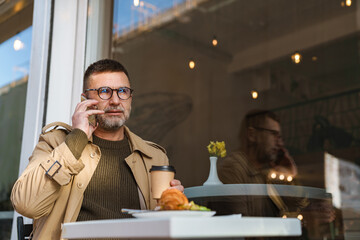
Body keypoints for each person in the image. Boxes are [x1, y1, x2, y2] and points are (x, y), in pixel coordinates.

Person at [11, 59, 184, 240]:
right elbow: (26, 204)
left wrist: (172, 206)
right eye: (104, 92)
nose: (116, 101)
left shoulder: (154, 156)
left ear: (130, 98)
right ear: (84, 100)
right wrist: (76, 138)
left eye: (123, 91)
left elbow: (161, 228)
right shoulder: (55, 142)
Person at [217, 109, 298, 217]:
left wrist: (291, 177)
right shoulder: (233, 169)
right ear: (252, 135)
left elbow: (298, 207)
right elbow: (239, 224)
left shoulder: (266, 173)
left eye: (279, 137)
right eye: (273, 134)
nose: (279, 142)